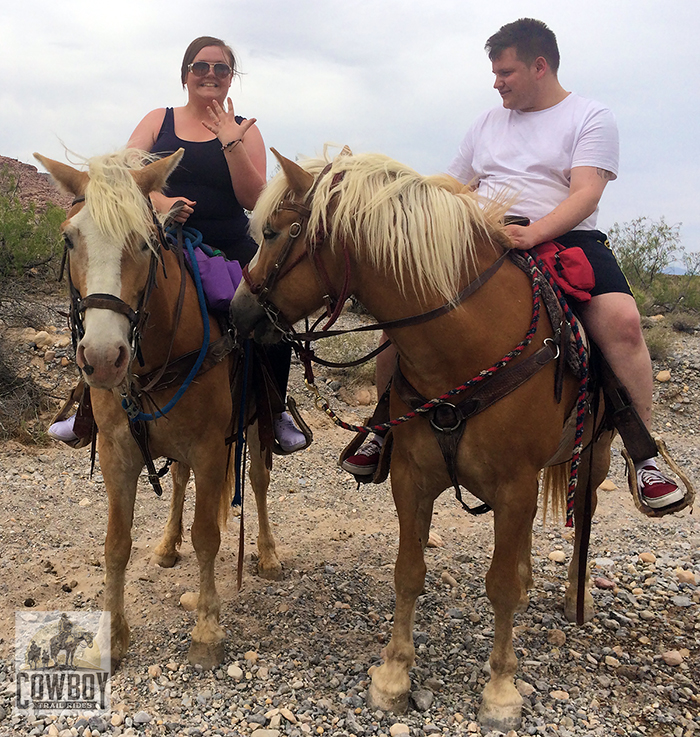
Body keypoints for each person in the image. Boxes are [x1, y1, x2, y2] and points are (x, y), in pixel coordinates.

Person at [343, 18, 682, 510]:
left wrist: (535, 232)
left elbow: (586, 192)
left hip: (566, 238)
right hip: (484, 239)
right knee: (401, 324)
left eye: (505, 72)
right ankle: (383, 428)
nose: (496, 82)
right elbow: (455, 185)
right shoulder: (486, 123)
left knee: (625, 323)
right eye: (495, 73)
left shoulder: (590, 115)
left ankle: (643, 452)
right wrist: (395, 190)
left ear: (539, 66)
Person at [49, 36, 306, 453]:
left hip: (228, 242)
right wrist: (161, 200)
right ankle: (88, 408)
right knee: (107, 299)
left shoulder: (243, 129)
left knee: (272, 311)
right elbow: (120, 176)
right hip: (162, 238)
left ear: (230, 79)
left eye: (221, 68)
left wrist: (231, 142)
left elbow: (253, 199)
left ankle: (273, 407)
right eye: (200, 66)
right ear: (186, 74)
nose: (210, 74)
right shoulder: (158, 119)